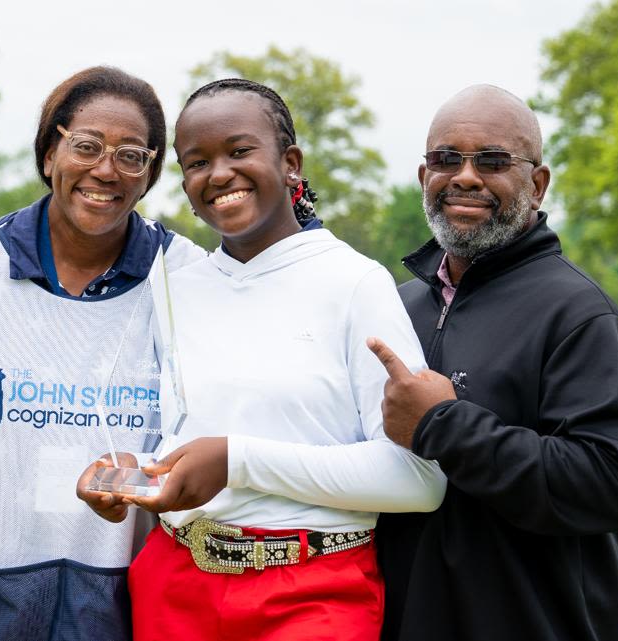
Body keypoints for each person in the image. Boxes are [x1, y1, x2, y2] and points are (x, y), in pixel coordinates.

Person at [77, 79, 447, 641]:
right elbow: (182, 435)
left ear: (291, 163)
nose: (218, 173)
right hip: (174, 584)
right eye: (197, 162)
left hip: (314, 593)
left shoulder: (355, 284)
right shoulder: (176, 287)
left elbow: (420, 481)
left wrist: (237, 461)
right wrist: (135, 474)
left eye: (240, 151)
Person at [0, 66, 204, 641]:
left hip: (130, 589)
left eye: (131, 155)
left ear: (148, 174)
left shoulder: (189, 277)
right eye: (87, 146)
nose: (106, 169)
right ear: (50, 152)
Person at [367, 85, 618, 641]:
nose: (466, 177)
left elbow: (616, 485)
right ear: (423, 175)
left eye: (493, 161)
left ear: (538, 183)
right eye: (445, 160)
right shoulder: (397, 306)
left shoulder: (580, 317)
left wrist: (441, 424)